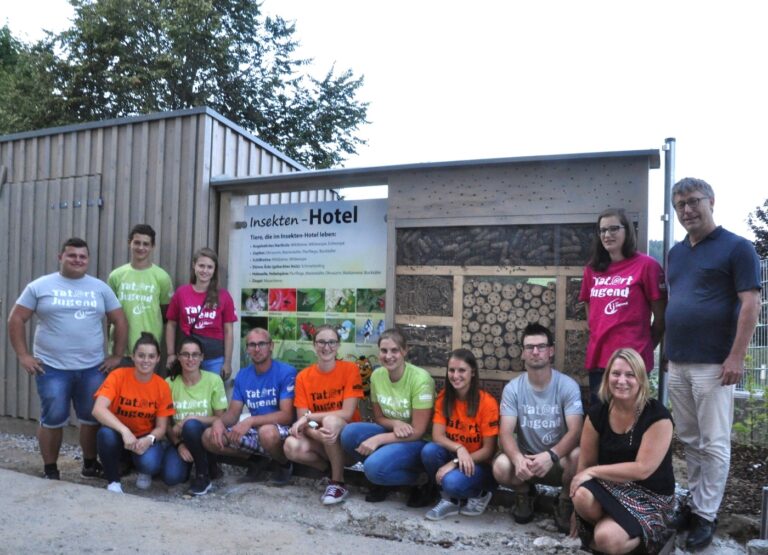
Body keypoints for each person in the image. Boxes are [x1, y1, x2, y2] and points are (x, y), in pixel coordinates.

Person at [665, 177, 762, 550]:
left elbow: (750, 303)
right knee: (689, 439)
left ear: (711, 201)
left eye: (693, 202)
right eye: (680, 206)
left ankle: (706, 514)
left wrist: (736, 355)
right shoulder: (676, 252)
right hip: (679, 362)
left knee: (715, 442)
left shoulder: (737, 248)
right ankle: (695, 502)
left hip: (714, 364)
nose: (687, 210)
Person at [7, 237, 128, 481]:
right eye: (72, 255)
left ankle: (89, 465)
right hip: (52, 368)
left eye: (82, 256)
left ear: (88, 260)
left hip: (92, 368)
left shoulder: (99, 288)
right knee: (53, 418)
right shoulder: (40, 286)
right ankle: (51, 469)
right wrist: (23, 355)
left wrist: (116, 355)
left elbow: (120, 321)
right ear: (60, 257)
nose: (77, 260)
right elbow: (16, 319)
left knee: (91, 418)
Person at [571, 348, 675, 554]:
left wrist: (593, 472)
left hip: (650, 495)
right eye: (616, 373)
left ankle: (646, 536)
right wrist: (575, 510)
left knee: (605, 538)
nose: (621, 380)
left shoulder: (657, 416)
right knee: (581, 495)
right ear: (607, 376)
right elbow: (585, 463)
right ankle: (616, 530)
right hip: (611, 487)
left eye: (630, 375)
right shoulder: (598, 413)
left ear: (641, 380)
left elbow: (642, 469)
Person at [492, 323, 583, 532]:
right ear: (522, 353)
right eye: (529, 347)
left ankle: (564, 501)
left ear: (550, 351)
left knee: (578, 455)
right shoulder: (513, 388)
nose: (535, 352)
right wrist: (517, 459)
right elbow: (505, 432)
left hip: (557, 460)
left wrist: (551, 455)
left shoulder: (567, 386)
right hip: (526, 462)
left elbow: (576, 430)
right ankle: (524, 493)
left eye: (541, 346)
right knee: (501, 466)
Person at [340, 328, 436, 507]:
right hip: (393, 431)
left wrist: (378, 439)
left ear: (404, 351)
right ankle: (386, 478)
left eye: (394, 350)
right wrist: (395, 422)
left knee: (373, 468)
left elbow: (419, 431)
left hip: (418, 441)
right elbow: (378, 417)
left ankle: (421, 480)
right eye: (384, 351)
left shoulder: (421, 380)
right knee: (348, 433)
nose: (389, 356)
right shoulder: (377, 375)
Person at [579, 208, 666, 404]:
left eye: (613, 229)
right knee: (600, 420)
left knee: (630, 422)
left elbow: (660, 319)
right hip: (598, 359)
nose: (607, 235)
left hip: (632, 363)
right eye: (602, 230)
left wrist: (642, 348)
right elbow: (590, 310)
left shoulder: (647, 266)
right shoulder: (592, 269)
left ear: (627, 231)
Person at [202, 328, 296, 485]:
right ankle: (257, 459)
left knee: (266, 433)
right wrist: (218, 423)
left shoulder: (286, 372)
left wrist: (250, 421)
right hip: (254, 430)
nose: (257, 349)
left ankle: (284, 464)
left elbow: (287, 416)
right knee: (208, 436)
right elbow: (233, 414)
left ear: (271, 346)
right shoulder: (243, 375)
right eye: (252, 345)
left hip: (280, 430)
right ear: (247, 349)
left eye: (262, 344)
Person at [284, 325, 364, 505]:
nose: (326, 347)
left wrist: (310, 418)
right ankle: (328, 471)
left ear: (338, 346)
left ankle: (338, 482)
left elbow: (347, 413)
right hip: (322, 439)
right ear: (314, 345)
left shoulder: (350, 370)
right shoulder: (303, 376)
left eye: (331, 342)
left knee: (330, 421)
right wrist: (315, 433)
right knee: (290, 445)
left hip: (347, 442)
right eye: (321, 342)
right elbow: (302, 418)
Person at [421, 349, 499, 520]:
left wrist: (455, 462)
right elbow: (437, 436)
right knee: (429, 451)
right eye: (451, 370)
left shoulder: (487, 403)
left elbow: (489, 450)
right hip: (456, 454)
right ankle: (448, 500)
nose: (455, 375)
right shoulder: (444, 398)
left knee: (452, 482)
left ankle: (481, 493)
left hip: (479, 464)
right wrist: (459, 449)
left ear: (473, 372)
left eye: (461, 370)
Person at [92, 333, 175, 493]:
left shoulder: (162, 386)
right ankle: (113, 482)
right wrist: (124, 431)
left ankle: (142, 468)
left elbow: (161, 428)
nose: (146, 361)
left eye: (151, 356)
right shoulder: (118, 375)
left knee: (150, 463)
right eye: (141, 355)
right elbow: (98, 409)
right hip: (119, 434)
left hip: (144, 436)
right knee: (105, 434)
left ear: (158, 358)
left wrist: (149, 439)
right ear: (133, 357)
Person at [161, 336, 227, 495]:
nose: (190, 359)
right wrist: (179, 445)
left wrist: (189, 419)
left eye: (195, 354)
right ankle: (204, 465)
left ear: (202, 357)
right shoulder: (169, 383)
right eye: (186, 354)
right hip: (181, 439)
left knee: (191, 426)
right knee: (171, 477)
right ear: (178, 356)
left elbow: (220, 419)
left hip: (207, 437)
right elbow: (166, 424)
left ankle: (203, 475)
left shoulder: (213, 380)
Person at [166, 247, 237, 380]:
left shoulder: (224, 296)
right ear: (194, 266)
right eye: (201, 266)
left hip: (214, 358)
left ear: (214, 269)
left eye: (209, 267)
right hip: (188, 357)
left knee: (212, 396)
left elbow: (228, 331)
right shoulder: (181, 293)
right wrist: (170, 354)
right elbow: (171, 324)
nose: (205, 270)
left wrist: (227, 362)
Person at [108, 224, 173, 363]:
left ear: (152, 246)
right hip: (120, 350)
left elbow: (166, 316)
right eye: (137, 242)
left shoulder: (162, 277)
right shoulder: (116, 276)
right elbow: (109, 315)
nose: (141, 248)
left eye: (146, 244)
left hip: (148, 352)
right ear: (129, 243)